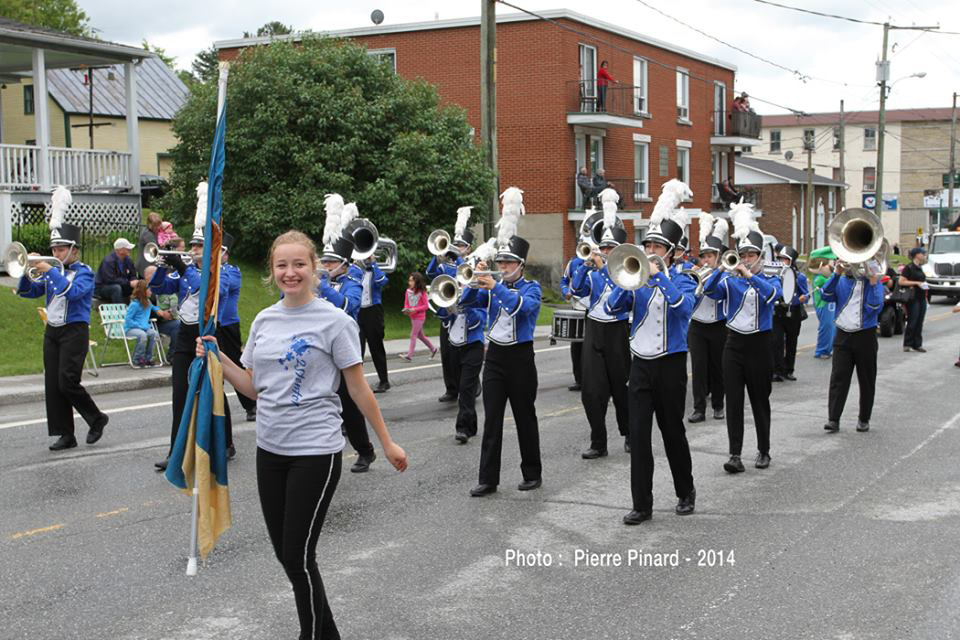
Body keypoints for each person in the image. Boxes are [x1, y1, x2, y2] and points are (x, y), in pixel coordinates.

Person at [197, 230, 407, 640]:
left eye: (299, 264)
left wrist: (386, 442)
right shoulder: (264, 320)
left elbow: (358, 388)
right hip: (269, 449)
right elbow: (254, 387)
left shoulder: (335, 321)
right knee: (287, 556)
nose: (290, 273)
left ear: (314, 269)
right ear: (272, 271)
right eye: (281, 265)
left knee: (298, 555)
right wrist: (217, 357)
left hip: (316, 450)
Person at [606, 208, 697, 525]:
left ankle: (685, 492)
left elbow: (684, 309)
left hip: (671, 365)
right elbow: (611, 308)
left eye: (658, 247)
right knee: (640, 436)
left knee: (673, 432)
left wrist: (660, 277)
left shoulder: (684, 280)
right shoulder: (637, 282)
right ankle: (641, 504)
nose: (651, 252)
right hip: (641, 365)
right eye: (649, 246)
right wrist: (625, 284)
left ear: (672, 253)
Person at [17, 188, 109, 451]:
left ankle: (96, 418)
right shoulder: (51, 272)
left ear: (73, 250)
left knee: (67, 381)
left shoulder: (84, 272)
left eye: (60, 249)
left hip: (75, 331)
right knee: (53, 384)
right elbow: (27, 292)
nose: (55, 254)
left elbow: (72, 293)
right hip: (53, 331)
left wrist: (50, 271)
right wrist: (27, 270)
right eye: (53, 249)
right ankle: (65, 434)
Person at [703, 203, 782, 473]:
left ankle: (763, 450)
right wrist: (720, 269)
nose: (746, 258)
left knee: (760, 400)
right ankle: (734, 454)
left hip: (760, 345)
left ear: (760, 256)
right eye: (743, 254)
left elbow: (772, 297)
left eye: (751, 255)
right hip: (734, 344)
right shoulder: (731, 280)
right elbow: (710, 292)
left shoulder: (772, 278)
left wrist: (750, 275)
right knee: (733, 400)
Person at [462, 232, 542, 497]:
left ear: (521, 264)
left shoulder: (533, 288)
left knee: (524, 418)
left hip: (520, 358)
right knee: (492, 419)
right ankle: (487, 479)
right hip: (495, 356)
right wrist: (473, 279)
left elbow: (520, 308)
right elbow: (466, 303)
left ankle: (532, 473)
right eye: (501, 261)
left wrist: (495, 286)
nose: (503, 266)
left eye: (509, 262)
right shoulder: (492, 286)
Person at [149, 224, 232, 471]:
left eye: (200, 246)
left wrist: (183, 266)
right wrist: (163, 267)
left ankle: (225, 442)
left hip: (209, 334)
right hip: (186, 335)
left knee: (213, 389)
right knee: (180, 394)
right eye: (193, 246)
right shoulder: (184, 273)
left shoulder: (223, 273)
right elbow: (157, 288)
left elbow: (205, 289)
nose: (195, 250)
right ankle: (177, 451)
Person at [316, 228, 379, 473]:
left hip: (343, 349)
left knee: (350, 404)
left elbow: (348, 306)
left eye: (330, 261)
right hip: (319, 349)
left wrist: (323, 287)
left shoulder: (353, 282)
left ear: (343, 264)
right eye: (324, 260)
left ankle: (365, 451)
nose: (325, 264)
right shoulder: (317, 281)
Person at [571, 215, 631, 458]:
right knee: (592, 390)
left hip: (618, 330)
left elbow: (623, 292)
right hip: (594, 328)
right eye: (603, 247)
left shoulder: (626, 272)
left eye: (610, 248)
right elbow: (575, 290)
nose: (605, 251)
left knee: (622, 387)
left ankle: (630, 434)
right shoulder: (593, 272)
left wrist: (603, 267)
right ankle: (598, 441)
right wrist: (584, 267)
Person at [821, 263, 884, 433]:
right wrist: (836, 274)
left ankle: (864, 418)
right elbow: (825, 295)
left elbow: (874, 307)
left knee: (867, 379)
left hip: (865, 336)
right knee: (838, 378)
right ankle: (833, 419)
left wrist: (873, 281)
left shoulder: (871, 282)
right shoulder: (841, 281)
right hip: (843, 335)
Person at [687, 214, 729, 423]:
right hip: (697, 325)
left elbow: (717, 292)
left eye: (710, 256)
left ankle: (719, 405)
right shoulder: (692, 273)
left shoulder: (726, 274)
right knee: (698, 368)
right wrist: (692, 277)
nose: (706, 260)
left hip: (718, 325)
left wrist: (714, 274)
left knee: (718, 366)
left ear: (718, 257)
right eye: (703, 256)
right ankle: (699, 408)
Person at [216, 234, 258, 423]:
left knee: (235, 364)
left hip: (228, 325)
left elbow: (225, 287)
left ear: (226, 254)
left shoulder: (232, 271)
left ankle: (250, 405)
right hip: (212, 325)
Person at [435, 294, 486, 444]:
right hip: (454, 346)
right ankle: (472, 424)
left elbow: (480, 321)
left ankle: (463, 428)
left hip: (473, 346)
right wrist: (448, 306)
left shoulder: (479, 297)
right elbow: (445, 320)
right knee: (462, 388)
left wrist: (465, 305)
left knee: (465, 389)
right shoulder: (454, 297)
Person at [425, 235, 463, 403]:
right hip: (447, 315)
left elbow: (466, 276)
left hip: (462, 316)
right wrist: (436, 255)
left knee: (461, 355)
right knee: (447, 355)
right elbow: (430, 273)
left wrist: (459, 259)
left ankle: (471, 384)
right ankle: (451, 389)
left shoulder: (467, 264)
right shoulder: (443, 266)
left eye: (461, 246)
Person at [771, 245, 809, 381]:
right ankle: (777, 371)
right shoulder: (773, 275)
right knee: (776, 341)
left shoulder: (800, 277)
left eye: (785, 259)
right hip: (778, 311)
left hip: (793, 312)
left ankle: (789, 370)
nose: (782, 262)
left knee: (791, 343)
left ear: (791, 261)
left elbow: (806, 294)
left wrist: (804, 298)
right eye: (780, 259)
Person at [357, 255, 390, 393]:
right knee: (357, 348)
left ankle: (384, 381)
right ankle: (358, 382)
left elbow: (382, 281)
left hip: (373, 312)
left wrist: (374, 263)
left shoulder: (376, 270)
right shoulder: (356, 271)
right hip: (358, 312)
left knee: (376, 347)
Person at [560, 251, 587, 392]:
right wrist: (566, 292)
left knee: (591, 347)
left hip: (593, 310)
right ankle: (579, 380)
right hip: (577, 308)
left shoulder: (603, 262)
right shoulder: (574, 262)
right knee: (576, 347)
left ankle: (591, 379)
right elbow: (564, 280)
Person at [400, 272, 437, 361]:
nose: (410, 282)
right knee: (420, 336)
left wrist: (414, 310)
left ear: (417, 281)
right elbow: (406, 304)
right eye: (409, 280)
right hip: (412, 316)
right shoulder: (408, 291)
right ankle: (433, 349)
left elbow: (426, 306)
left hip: (420, 317)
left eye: (412, 281)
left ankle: (409, 356)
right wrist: (406, 310)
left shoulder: (422, 292)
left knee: (413, 335)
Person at [899, 247, 929, 353]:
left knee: (920, 321)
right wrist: (916, 283)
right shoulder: (909, 267)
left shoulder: (920, 267)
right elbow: (901, 281)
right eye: (922, 253)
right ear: (916, 255)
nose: (924, 255)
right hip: (913, 298)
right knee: (913, 320)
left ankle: (917, 344)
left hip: (921, 297)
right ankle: (907, 344)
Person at [124, 279, 160, 367]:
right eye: (149, 290)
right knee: (142, 335)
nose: (151, 292)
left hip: (144, 328)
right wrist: (139, 326)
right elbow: (128, 319)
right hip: (131, 328)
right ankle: (137, 358)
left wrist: (165, 312)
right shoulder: (134, 304)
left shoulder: (148, 302)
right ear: (144, 291)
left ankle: (148, 358)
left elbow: (156, 309)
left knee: (154, 334)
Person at [94, 237, 139, 303]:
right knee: (116, 288)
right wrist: (128, 283)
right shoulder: (108, 261)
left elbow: (133, 274)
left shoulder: (128, 260)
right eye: (127, 248)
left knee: (139, 286)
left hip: (122, 284)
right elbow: (110, 280)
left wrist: (134, 281)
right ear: (120, 250)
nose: (130, 249)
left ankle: (139, 309)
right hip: (103, 287)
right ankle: (120, 311)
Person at [813, 261, 836, 359]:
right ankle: (821, 351)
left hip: (829, 305)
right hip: (822, 305)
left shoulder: (825, 278)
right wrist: (836, 273)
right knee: (826, 327)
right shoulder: (820, 279)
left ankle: (828, 349)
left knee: (831, 328)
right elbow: (832, 282)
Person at [136, 211, 163, 276]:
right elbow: (155, 249)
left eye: (159, 225)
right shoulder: (147, 234)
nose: (158, 227)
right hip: (145, 265)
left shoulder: (152, 232)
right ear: (150, 225)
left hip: (148, 264)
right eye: (156, 226)